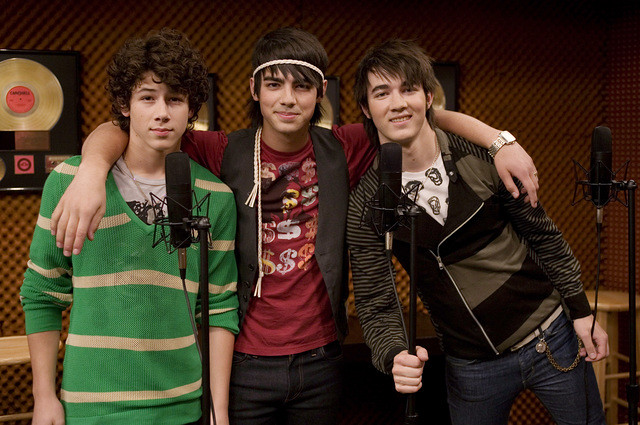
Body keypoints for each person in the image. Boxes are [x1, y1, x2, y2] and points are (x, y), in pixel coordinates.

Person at [46, 27, 540, 424]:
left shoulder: (343, 147)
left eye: (302, 86)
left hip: (321, 358)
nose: (288, 99)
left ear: (320, 93)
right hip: (244, 360)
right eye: (274, 85)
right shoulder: (222, 149)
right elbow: (125, 127)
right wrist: (91, 171)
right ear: (254, 90)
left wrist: (500, 141)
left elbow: (419, 114)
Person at [346, 39, 609, 425]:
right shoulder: (367, 203)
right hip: (470, 366)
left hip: (551, 336)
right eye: (382, 93)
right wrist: (392, 354)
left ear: (429, 97)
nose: (397, 103)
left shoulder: (482, 156)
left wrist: (581, 311)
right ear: (366, 108)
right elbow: (374, 299)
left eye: (408, 89)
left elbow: (545, 237)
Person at [21, 29, 239, 425]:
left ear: (192, 108)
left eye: (175, 99)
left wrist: (217, 410)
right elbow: (42, 293)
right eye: (148, 98)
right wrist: (44, 397)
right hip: (90, 406)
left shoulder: (216, 197)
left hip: (182, 405)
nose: (162, 112)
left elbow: (219, 308)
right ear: (125, 104)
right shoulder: (70, 182)